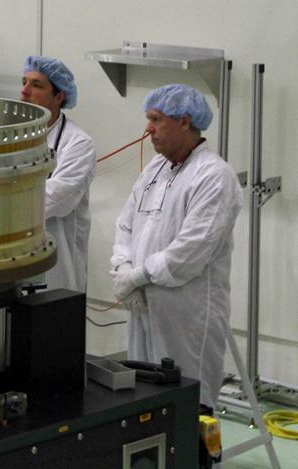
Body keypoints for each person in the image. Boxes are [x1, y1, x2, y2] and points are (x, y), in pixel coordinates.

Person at [111, 84, 243, 409]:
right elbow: (125, 224)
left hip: (187, 315)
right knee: (145, 402)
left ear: (185, 122)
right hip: (144, 307)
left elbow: (190, 253)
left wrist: (137, 275)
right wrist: (123, 266)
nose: (148, 128)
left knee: (190, 405)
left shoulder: (214, 176)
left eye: (156, 119)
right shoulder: (154, 169)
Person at [20, 56, 96, 293]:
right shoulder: (12, 135)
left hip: (57, 264)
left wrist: (4, 208)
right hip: (12, 257)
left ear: (59, 96)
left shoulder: (78, 143)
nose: (24, 91)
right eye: (24, 82)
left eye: (36, 85)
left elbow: (57, 199)